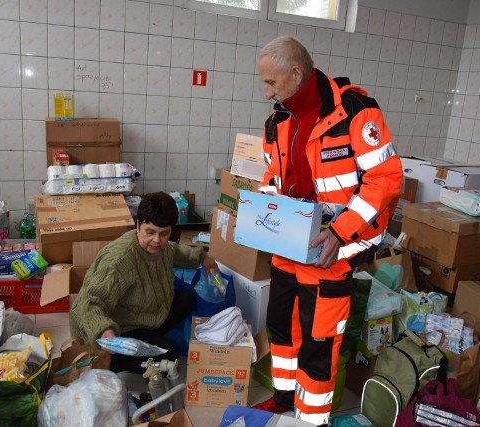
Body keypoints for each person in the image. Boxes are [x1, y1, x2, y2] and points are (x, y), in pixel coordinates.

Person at [252, 36, 403, 426]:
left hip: (332, 250)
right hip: (288, 246)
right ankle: (285, 400)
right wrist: (264, 203)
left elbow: (384, 181)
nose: (266, 91)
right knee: (282, 332)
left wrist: (338, 232)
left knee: (318, 345)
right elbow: (273, 175)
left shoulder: (355, 111)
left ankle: (310, 420)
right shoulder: (278, 119)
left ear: (296, 74)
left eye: (271, 82)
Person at [70, 191, 219, 373]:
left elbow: (174, 251)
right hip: (120, 327)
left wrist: (201, 257)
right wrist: (104, 332)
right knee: (169, 355)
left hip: (146, 314)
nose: (157, 240)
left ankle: (150, 339)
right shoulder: (118, 261)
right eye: (150, 232)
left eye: (164, 233)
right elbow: (89, 302)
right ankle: (106, 361)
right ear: (138, 225)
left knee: (186, 297)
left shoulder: (162, 247)